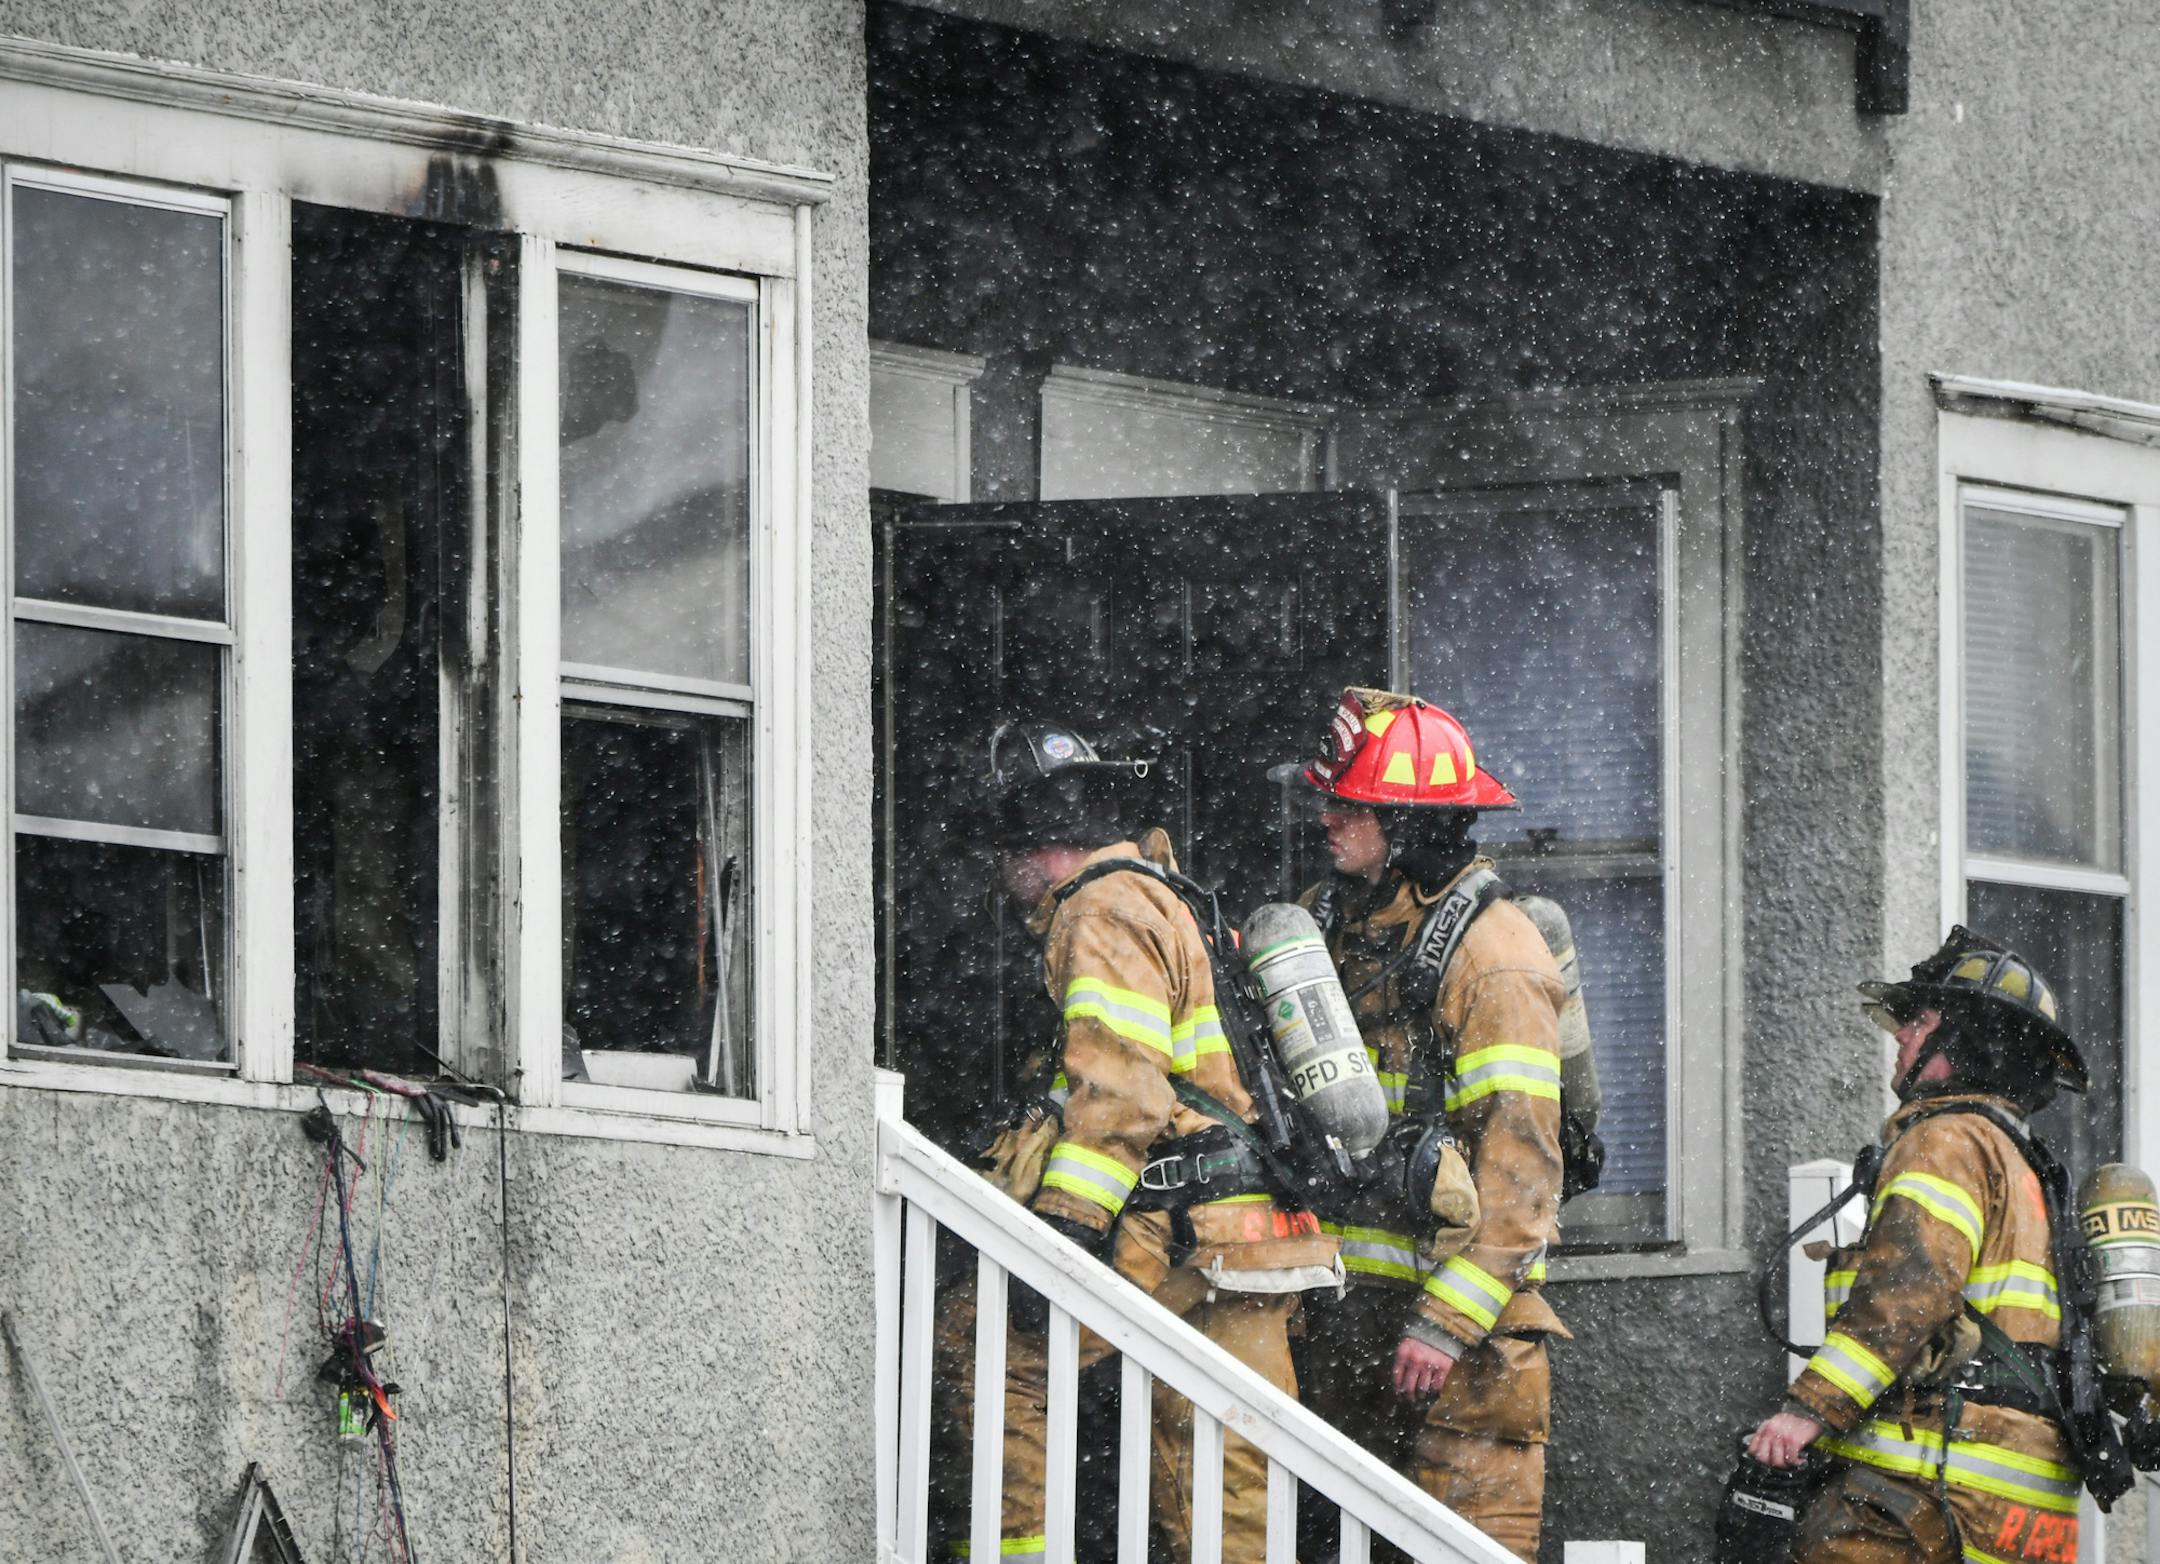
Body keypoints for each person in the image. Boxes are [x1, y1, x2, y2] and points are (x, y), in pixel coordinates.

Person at [936, 717, 1342, 1564]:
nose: (999, 877)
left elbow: (1121, 1089)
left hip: (1182, 1223)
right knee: (1235, 1464)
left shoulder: (1099, 911)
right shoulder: (1162, 890)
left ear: (1026, 839)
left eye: (997, 850)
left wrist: (1066, 1233)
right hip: (1248, 1227)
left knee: (998, 1358)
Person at [1283, 687, 1568, 1562]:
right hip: (1348, 1330)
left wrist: (1444, 1323)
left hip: (1464, 1358)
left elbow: (1522, 1173)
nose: (1326, 818)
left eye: (1348, 803)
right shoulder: (1337, 929)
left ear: (1406, 823)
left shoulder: (1496, 956)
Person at [1747, 928, 2092, 1564]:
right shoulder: (2028, 1171)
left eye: (1920, 1020)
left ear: (1962, 1041)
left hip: (1929, 1485)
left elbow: (1910, 1288)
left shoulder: (1947, 1140)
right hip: (2029, 1507)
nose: (1901, 1037)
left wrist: (1810, 1408)